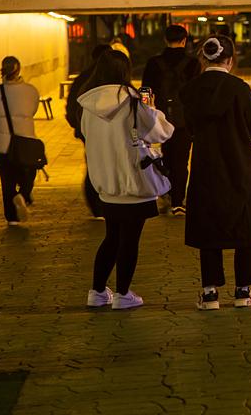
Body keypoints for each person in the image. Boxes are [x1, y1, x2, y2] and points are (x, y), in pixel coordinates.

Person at [78, 50, 173, 310]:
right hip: (134, 181)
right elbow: (162, 131)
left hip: (106, 183)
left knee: (111, 236)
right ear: (125, 72)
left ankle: (97, 291)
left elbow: (87, 136)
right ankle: (122, 294)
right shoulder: (132, 102)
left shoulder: (87, 105)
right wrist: (152, 108)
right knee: (130, 239)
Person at [181, 35, 251, 310]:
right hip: (241, 164)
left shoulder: (191, 90)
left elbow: (187, 126)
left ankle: (210, 293)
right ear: (229, 59)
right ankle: (243, 290)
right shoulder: (240, 89)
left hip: (207, 164)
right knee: (245, 225)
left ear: (203, 59)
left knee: (209, 225)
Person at [141, 24, 200, 215]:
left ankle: (164, 192)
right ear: (184, 40)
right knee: (181, 161)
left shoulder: (153, 63)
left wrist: (147, 113)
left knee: (163, 157)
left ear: (165, 40)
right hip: (184, 121)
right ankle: (178, 202)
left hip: (159, 119)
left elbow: (145, 91)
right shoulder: (193, 63)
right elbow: (196, 93)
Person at [0, 56, 40, 227]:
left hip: (4, 143)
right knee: (28, 172)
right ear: (19, 70)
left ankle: (11, 217)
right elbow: (32, 111)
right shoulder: (31, 90)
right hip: (25, 139)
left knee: (7, 179)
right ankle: (24, 195)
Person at [67, 44, 111, 218]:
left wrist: (79, 127)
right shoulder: (113, 79)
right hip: (110, 132)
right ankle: (108, 200)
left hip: (89, 132)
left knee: (93, 166)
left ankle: (96, 205)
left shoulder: (83, 79)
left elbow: (71, 107)